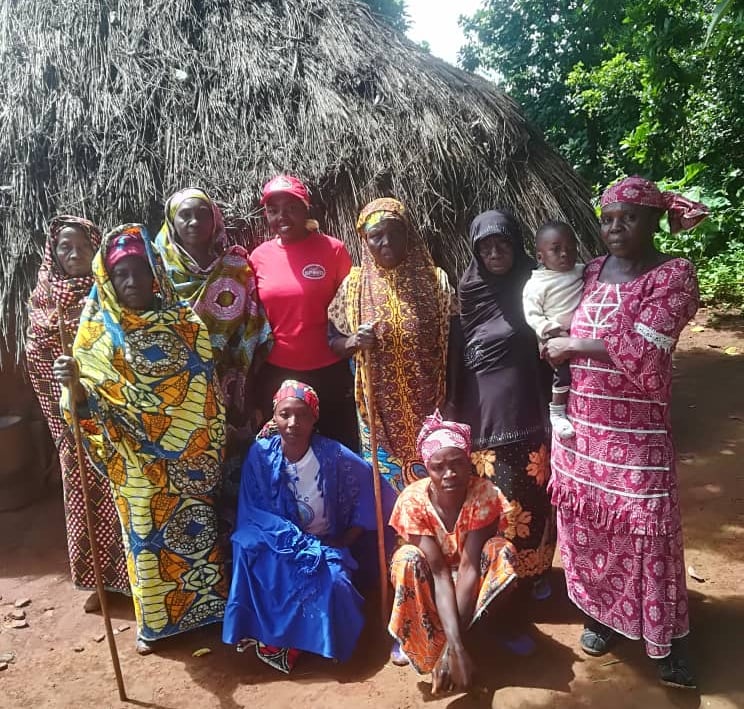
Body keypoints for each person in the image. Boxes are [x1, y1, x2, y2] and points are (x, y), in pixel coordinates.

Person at [544, 176, 708, 689]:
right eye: (609, 219)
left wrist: (571, 345)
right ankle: (604, 616)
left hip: (636, 435)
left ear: (654, 220)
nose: (616, 228)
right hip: (584, 430)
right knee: (592, 528)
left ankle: (668, 639)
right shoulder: (591, 270)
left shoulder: (674, 275)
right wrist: (552, 336)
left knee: (648, 529)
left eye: (629, 217)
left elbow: (645, 345)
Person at [53, 224, 227, 655]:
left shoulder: (186, 324)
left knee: (199, 532)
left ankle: (208, 611)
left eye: (138, 271)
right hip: (135, 465)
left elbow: (205, 391)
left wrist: (187, 440)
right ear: (108, 282)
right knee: (146, 540)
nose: (131, 283)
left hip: (190, 458)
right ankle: (155, 622)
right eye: (121, 276)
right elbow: (85, 407)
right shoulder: (94, 337)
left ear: (156, 274)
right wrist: (73, 385)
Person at [223, 380, 377, 674]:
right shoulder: (260, 455)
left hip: (323, 543)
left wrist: (348, 538)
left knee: (337, 584)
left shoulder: (333, 455)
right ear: (274, 416)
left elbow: (371, 491)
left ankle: (318, 642)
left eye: (302, 415)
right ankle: (276, 640)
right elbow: (253, 512)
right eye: (285, 414)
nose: (293, 423)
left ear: (314, 418)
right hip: (280, 543)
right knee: (245, 543)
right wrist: (296, 544)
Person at [449, 210, 555, 601]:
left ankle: (536, 572)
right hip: (481, 416)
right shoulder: (468, 291)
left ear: (516, 245)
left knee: (532, 496)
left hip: (528, 410)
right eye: (486, 247)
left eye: (503, 244)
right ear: (476, 253)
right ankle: (498, 577)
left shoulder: (536, 285)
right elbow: (456, 358)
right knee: (494, 501)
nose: (495, 252)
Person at [26, 215, 129, 611]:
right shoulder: (42, 301)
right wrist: (63, 381)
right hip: (69, 423)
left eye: (82, 246)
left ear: (96, 248)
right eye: (65, 247)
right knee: (86, 500)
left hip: (111, 418)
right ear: (53, 253)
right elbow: (36, 358)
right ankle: (101, 585)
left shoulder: (110, 295)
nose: (74, 254)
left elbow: (124, 353)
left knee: (121, 497)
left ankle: (134, 581)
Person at [328, 197, 453, 495]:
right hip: (378, 412)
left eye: (395, 232)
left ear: (408, 234)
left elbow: (454, 344)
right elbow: (333, 342)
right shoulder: (353, 287)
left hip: (431, 404)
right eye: (376, 236)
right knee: (387, 490)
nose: (386, 242)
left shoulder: (436, 281)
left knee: (436, 484)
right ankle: (396, 542)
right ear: (365, 241)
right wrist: (354, 341)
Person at [388, 410, 517, 694]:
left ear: (469, 462)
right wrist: (453, 646)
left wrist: (451, 647)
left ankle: (476, 634)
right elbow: (438, 572)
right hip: (431, 582)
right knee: (406, 559)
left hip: (468, 581)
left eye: (458, 464)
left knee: (501, 552)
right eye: (438, 467)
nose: (449, 474)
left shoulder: (484, 494)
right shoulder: (412, 501)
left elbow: (469, 568)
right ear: (426, 468)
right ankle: (416, 635)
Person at [154, 187, 271, 457]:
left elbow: (253, 322)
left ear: (215, 220)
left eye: (202, 214)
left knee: (231, 460)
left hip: (229, 381)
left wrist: (246, 380)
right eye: (185, 215)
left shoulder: (235, 265)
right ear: (172, 221)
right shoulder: (155, 270)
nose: (194, 222)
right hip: (174, 384)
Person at [250, 175, 358, 450]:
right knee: (285, 451)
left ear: (305, 208)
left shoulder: (333, 250)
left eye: (291, 208)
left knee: (337, 447)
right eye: (273, 210)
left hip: (330, 371)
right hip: (278, 373)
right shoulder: (258, 257)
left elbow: (349, 307)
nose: (282, 216)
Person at [522, 221, 584, 439]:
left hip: (580, 332)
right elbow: (532, 314)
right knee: (563, 374)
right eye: (556, 250)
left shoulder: (582, 271)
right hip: (556, 333)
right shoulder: (537, 284)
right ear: (540, 257)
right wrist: (548, 330)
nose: (565, 254)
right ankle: (557, 412)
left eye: (570, 247)